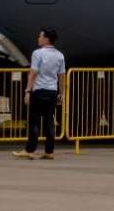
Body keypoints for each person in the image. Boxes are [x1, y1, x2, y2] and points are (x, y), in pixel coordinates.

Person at [13, 27, 66, 160]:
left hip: (39, 90)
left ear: (46, 39)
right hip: (52, 91)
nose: (38, 38)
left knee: (34, 121)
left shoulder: (37, 53)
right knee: (49, 121)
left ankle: (30, 150)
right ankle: (49, 151)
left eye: (40, 36)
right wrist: (62, 93)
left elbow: (33, 73)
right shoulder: (60, 55)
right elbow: (62, 76)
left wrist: (27, 91)